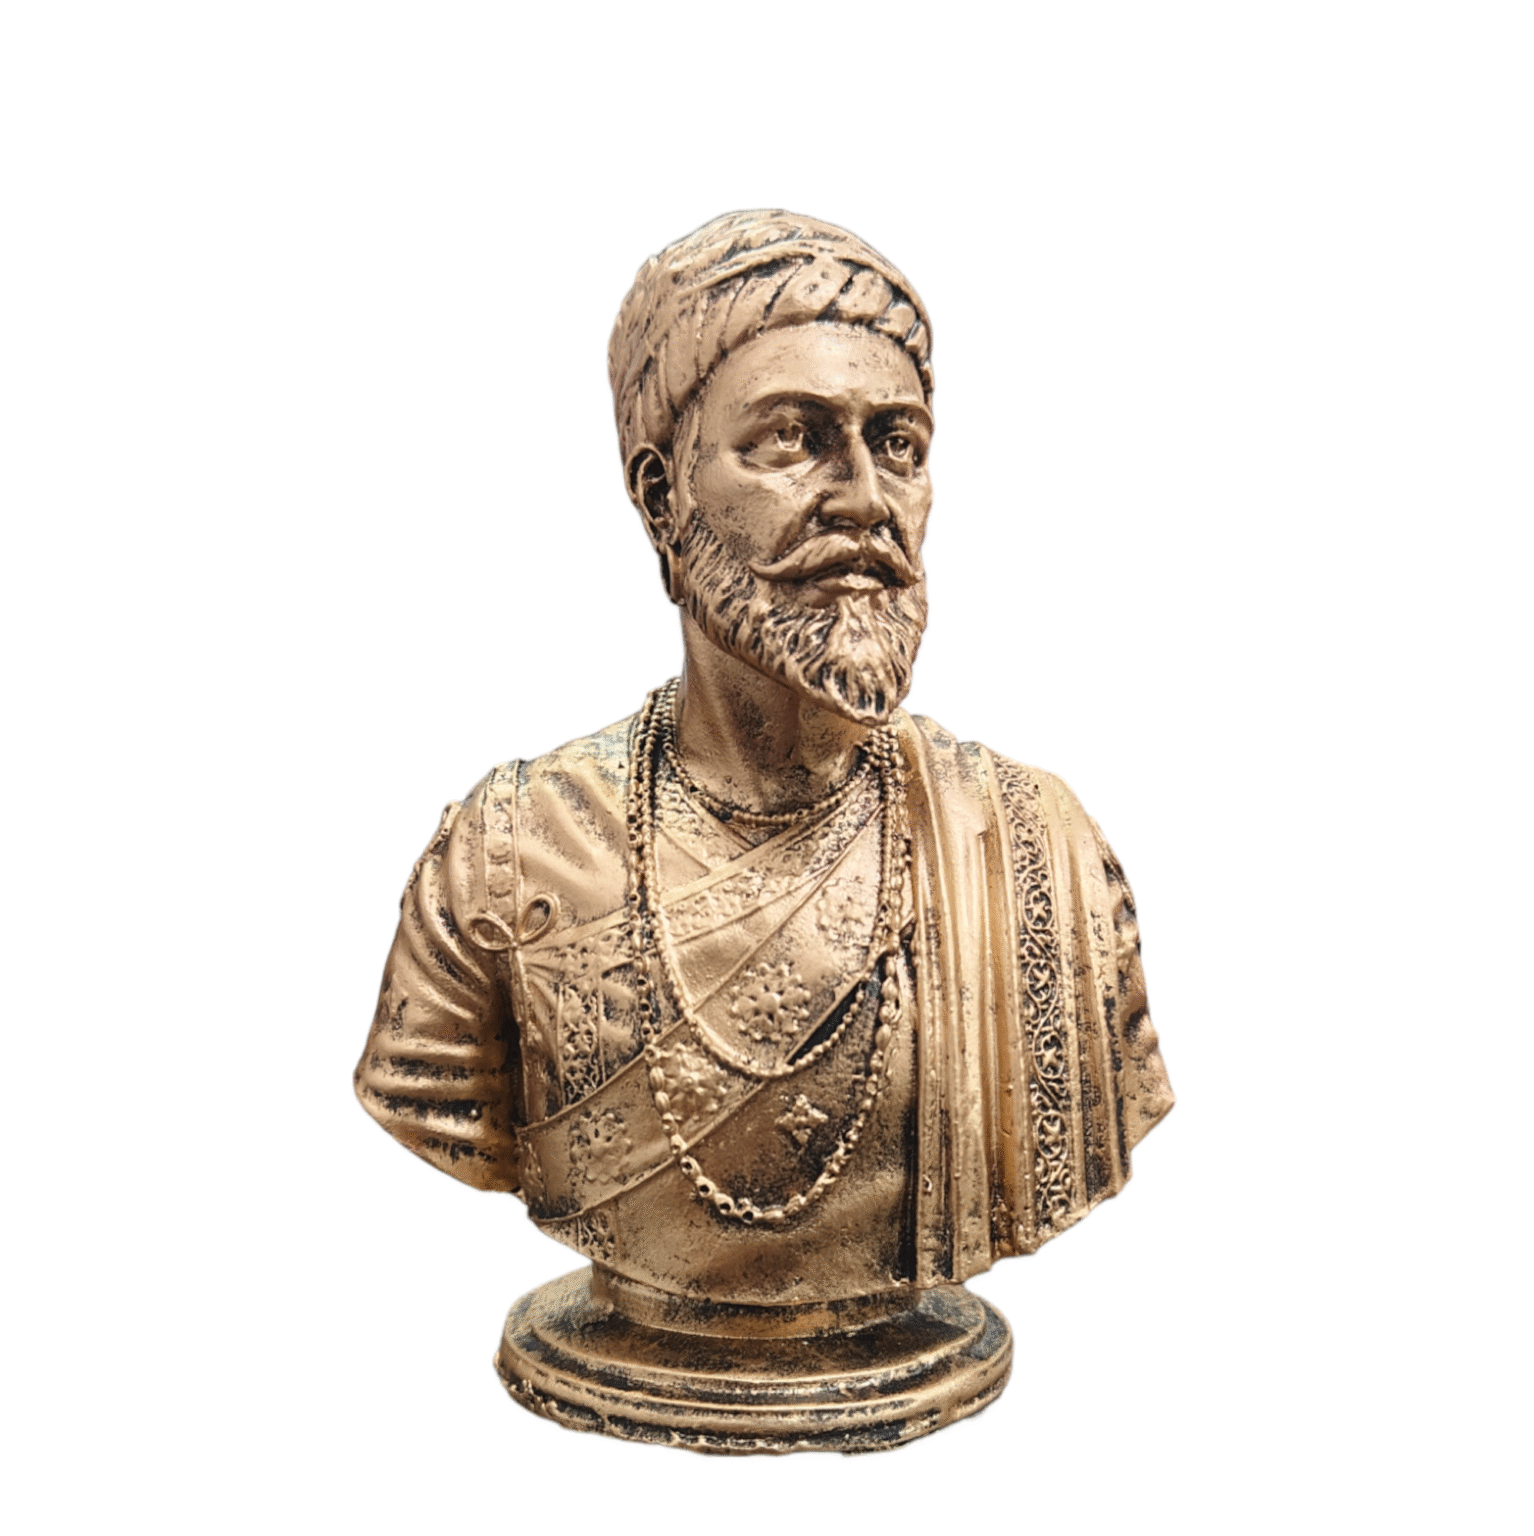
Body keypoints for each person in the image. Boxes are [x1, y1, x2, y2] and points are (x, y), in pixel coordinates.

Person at [355, 209, 1173, 1313]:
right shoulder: (508, 857)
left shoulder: (1036, 856)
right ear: (662, 497)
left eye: (899, 445)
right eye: (793, 438)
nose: (866, 500)